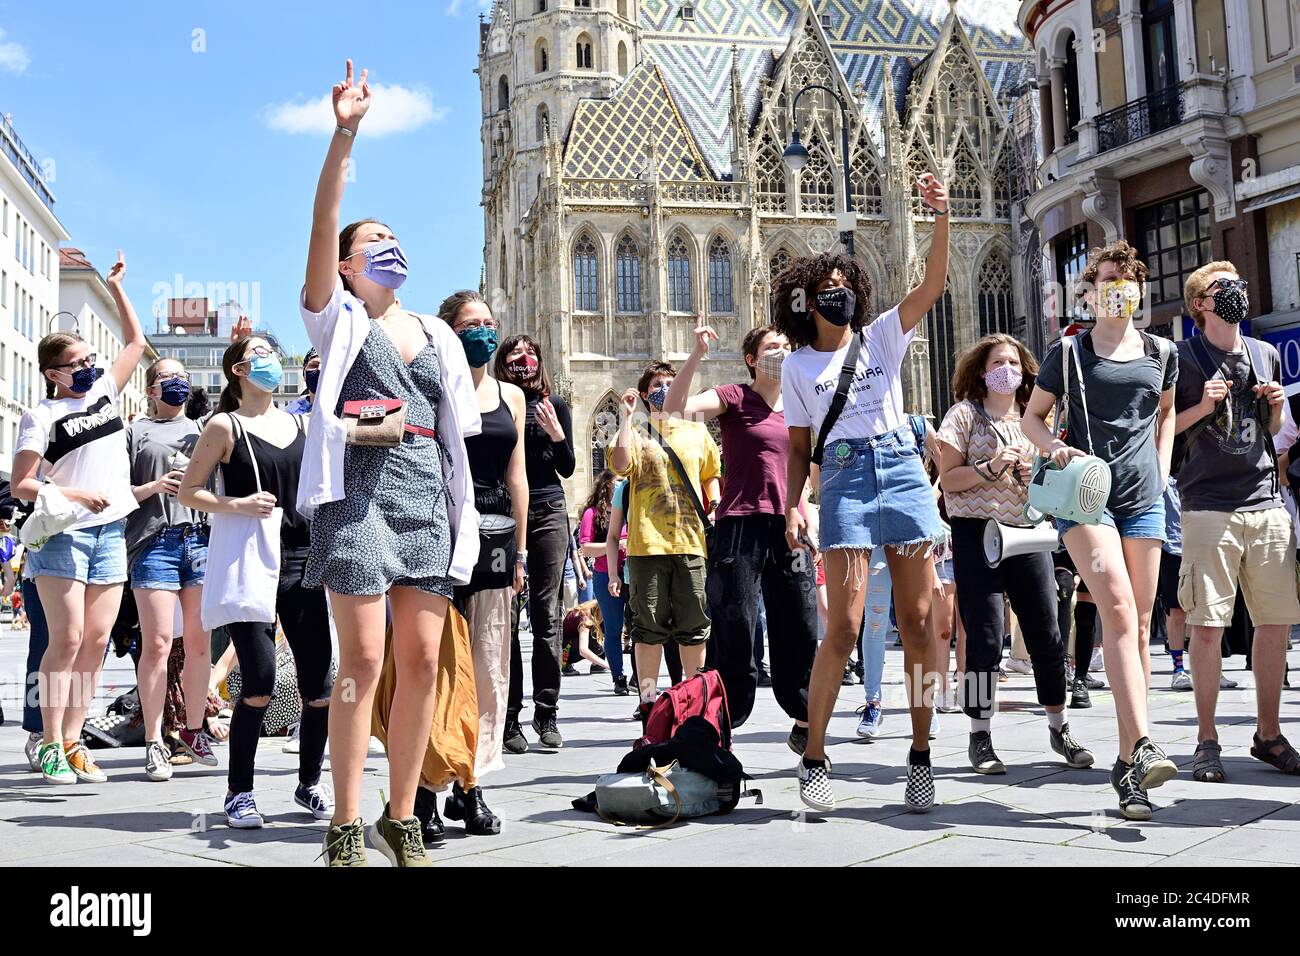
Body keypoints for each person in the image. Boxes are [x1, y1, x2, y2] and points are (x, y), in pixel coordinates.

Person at [300, 60, 482, 867]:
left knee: (419, 662)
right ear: (345, 265)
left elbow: (455, 435)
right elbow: (323, 221)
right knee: (364, 660)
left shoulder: (438, 333)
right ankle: (345, 818)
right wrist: (346, 133)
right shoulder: (335, 319)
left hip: (423, 498)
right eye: (371, 241)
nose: (386, 246)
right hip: (356, 494)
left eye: (391, 237)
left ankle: (399, 815)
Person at [779, 173, 951, 814]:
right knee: (844, 626)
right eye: (829, 293)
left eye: (847, 290)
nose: (840, 299)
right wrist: (797, 503)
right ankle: (816, 754)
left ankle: (921, 755)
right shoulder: (797, 367)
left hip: (903, 469)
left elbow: (931, 287)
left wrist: (937, 218)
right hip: (845, 478)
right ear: (807, 303)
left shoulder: (880, 334)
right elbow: (800, 449)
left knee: (919, 624)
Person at [1021, 240, 1180, 820]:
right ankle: (1143, 745)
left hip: (1144, 499)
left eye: (1123, 277)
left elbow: (1163, 414)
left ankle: (1124, 764)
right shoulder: (1068, 354)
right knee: (1114, 608)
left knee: (1138, 626)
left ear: (1138, 287)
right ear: (1089, 292)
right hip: (1086, 496)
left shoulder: (1163, 351)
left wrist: (1162, 468)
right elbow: (1032, 418)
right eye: (1103, 279)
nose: (1114, 287)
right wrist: (1056, 449)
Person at [179, 335, 334, 827]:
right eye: (261, 354)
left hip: (304, 559)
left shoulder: (298, 422)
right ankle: (238, 791)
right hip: (250, 562)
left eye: (273, 351)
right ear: (239, 371)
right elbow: (189, 491)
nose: (272, 360)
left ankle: (309, 782)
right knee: (261, 683)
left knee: (320, 685)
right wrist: (237, 506)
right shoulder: (225, 426)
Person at [12, 250, 146, 786]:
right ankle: (47, 741)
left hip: (111, 532)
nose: (89, 367)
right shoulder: (40, 416)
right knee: (63, 642)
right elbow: (23, 484)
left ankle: (73, 740)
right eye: (77, 363)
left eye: (91, 358)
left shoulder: (107, 393)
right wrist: (72, 491)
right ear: (52, 373)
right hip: (62, 537)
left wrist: (116, 288)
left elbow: (135, 343)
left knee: (94, 643)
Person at [937, 334, 1094, 774]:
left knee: (1047, 633)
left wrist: (1032, 476)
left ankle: (1059, 726)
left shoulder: (1031, 421)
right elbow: (948, 480)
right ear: (982, 371)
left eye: (1014, 361)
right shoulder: (964, 415)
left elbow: (1047, 492)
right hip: (976, 534)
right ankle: (980, 735)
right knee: (985, 638)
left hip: (1026, 534)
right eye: (997, 362)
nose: (1007, 368)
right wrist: (988, 468)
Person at [663, 322, 819, 752]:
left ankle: (805, 719)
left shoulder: (801, 405)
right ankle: (720, 728)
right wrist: (695, 356)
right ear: (752, 359)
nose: (783, 352)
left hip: (790, 526)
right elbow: (674, 410)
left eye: (788, 345)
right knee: (735, 628)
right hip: (740, 527)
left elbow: (803, 468)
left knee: (802, 626)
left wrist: (806, 515)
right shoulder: (735, 396)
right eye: (773, 347)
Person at [1172, 261, 1300, 781]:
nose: (1239, 294)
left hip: (1264, 500)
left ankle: (1268, 734)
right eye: (1227, 289)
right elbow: (1165, 430)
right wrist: (1202, 405)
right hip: (1207, 504)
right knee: (1207, 625)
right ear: (1201, 302)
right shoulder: (1182, 358)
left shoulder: (1263, 352)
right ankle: (1207, 740)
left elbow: (1273, 429)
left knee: (1275, 624)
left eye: (1241, 286)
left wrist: (1274, 408)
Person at [438, 289, 528, 837]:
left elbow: (517, 476)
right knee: (442, 666)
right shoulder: (437, 387)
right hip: (443, 533)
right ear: (451, 332)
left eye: (490, 323)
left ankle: (470, 786)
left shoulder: (511, 396)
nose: (484, 333)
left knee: (491, 666)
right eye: (473, 324)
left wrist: (520, 550)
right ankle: (426, 788)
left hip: (496, 537)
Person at [610, 361, 721, 721]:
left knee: (693, 628)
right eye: (658, 384)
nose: (665, 388)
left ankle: (694, 700)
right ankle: (647, 702)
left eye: (671, 383)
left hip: (689, 543)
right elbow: (620, 464)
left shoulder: (696, 432)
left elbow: (710, 476)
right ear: (644, 393)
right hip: (647, 546)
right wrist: (626, 417)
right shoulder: (638, 433)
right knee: (648, 629)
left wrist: (716, 506)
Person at [126, 357, 215, 782]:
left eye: (182, 376)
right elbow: (116, 491)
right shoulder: (136, 431)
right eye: (166, 377)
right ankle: (154, 741)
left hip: (198, 538)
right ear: (150, 390)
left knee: (200, 640)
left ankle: (193, 729)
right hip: (153, 541)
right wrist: (154, 487)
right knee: (158, 642)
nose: (177, 383)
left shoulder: (203, 429)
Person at [495, 333, 575, 753]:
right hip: (502, 516)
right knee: (505, 621)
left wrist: (557, 435)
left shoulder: (552, 404)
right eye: (513, 354)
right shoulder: (497, 402)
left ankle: (547, 714)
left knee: (547, 616)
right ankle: (509, 720)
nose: (522, 360)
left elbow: (568, 467)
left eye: (529, 354)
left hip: (547, 511)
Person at [578, 469, 629, 693]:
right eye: (618, 481)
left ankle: (639, 677)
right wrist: (615, 545)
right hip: (603, 575)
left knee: (640, 628)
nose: (622, 484)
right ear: (606, 484)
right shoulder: (592, 514)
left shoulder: (630, 510)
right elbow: (586, 548)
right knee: (614, 627)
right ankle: (618, 676)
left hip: (632, 572)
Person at [561, 600, 607, 674]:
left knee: (600, 630)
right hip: (565, 652)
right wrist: (609, 666)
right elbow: (583, 650)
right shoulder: (586, 618)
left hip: (568, 644)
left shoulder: (592, 610)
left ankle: (598, 665)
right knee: (594, 636)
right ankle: (566, 664)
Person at [286, 347, 321, 415]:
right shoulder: (290, 414)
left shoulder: (344, 411)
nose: (320, 370)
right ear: (304, 375)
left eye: (326, 366)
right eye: (314, 365)